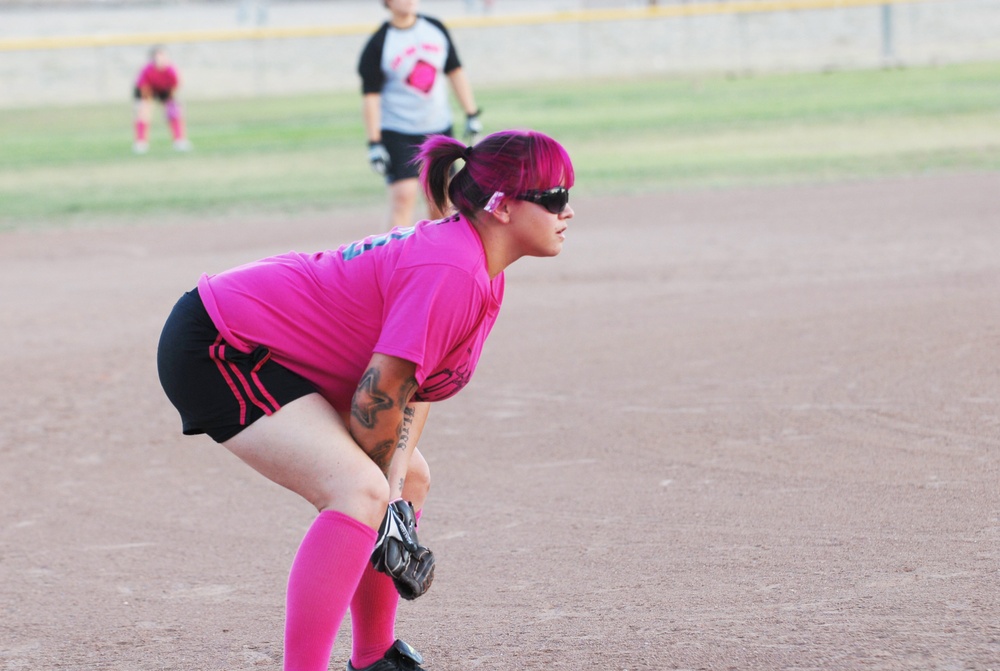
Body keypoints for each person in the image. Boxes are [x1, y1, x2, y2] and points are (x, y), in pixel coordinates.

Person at [156, 129, 574, 671]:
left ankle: (374, 657)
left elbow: (412, 388)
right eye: (554, 197)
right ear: (501, 206)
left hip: (272, 347)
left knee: (405, 482)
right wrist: (384, 498)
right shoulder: (452, 269)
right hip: (222, 343)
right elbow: (379, 397)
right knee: (358, 492)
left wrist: (397, 490)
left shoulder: (480, 270)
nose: (568, 210)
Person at [358, 0, 482, 228]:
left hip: (437, 127)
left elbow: (455, 70)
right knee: (403, 196)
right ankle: (395, 256)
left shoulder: (434, 29)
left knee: (440, 200)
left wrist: (471, 113)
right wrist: (374, 143)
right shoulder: (379, 43)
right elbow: (370, 97)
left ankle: (437, 255)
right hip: (398, 130)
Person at [132, 45, 191, 154]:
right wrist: (148, 102)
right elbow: (143, 89)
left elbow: (175, 86)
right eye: (157, 57)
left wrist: (168, 99)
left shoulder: (171, 70)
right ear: (153, 59)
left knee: (174, 109)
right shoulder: (147, 70)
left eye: (163, 56)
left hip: (164, 90)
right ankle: (141, 143)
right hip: (148, 90)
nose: (161, 59)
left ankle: (179, 141)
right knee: (143, 111)